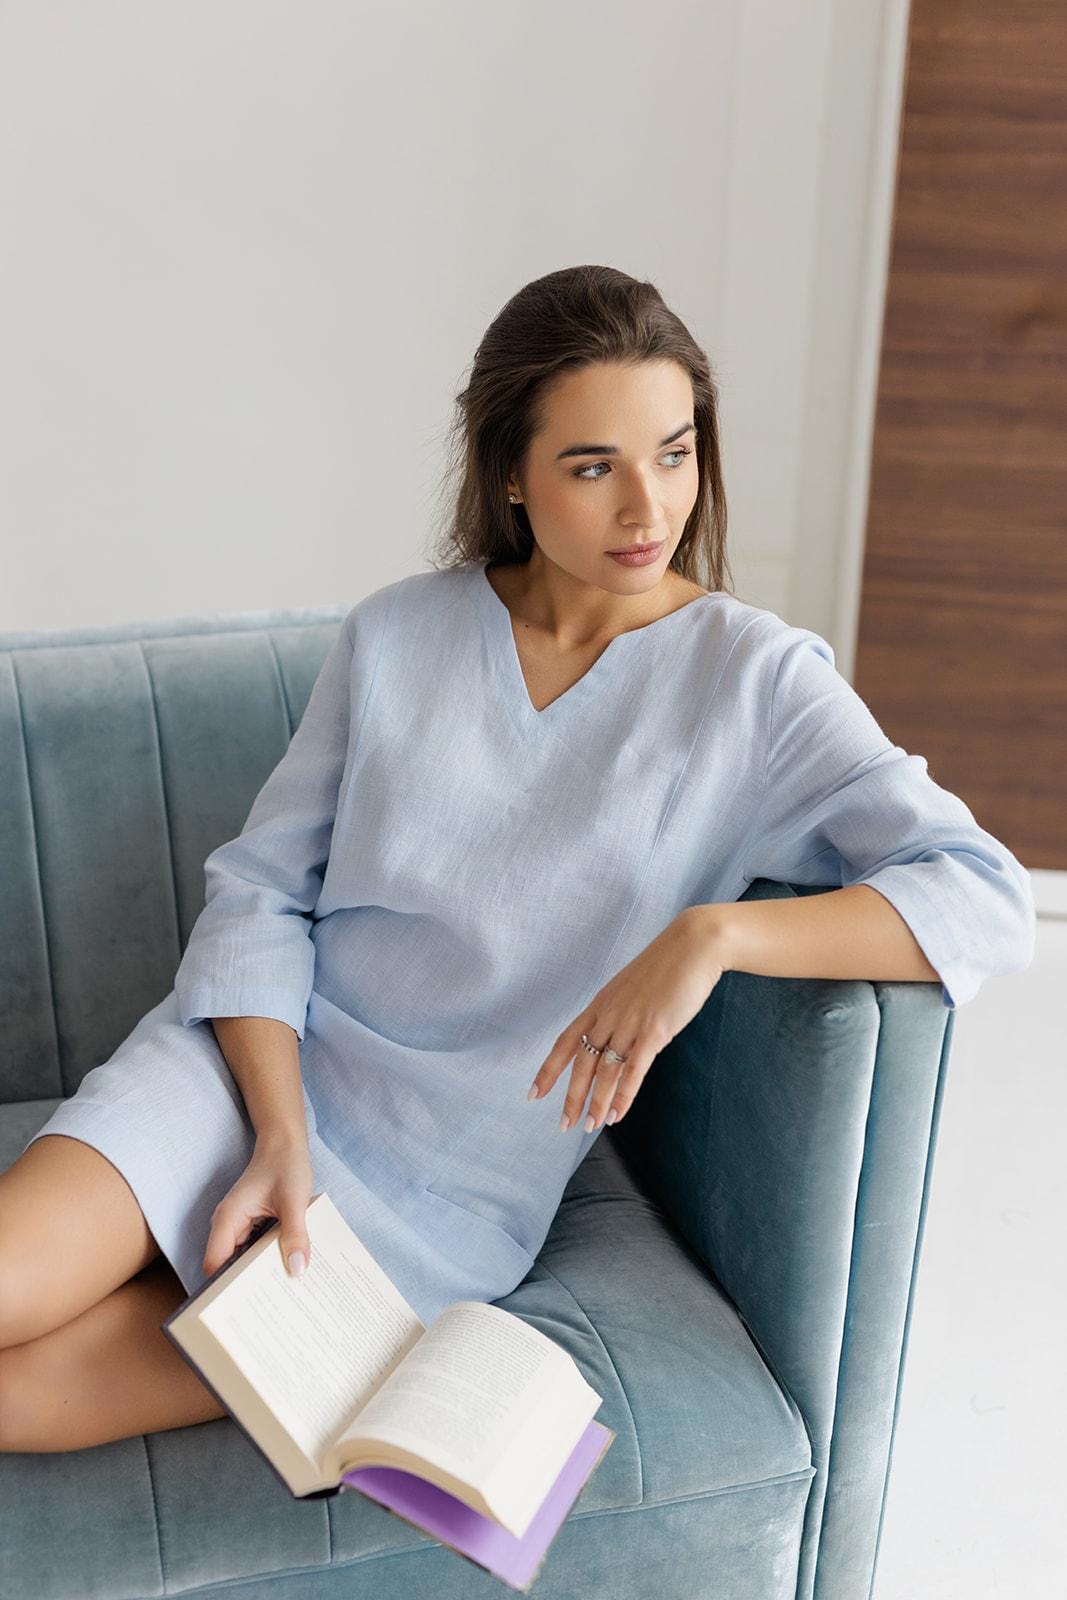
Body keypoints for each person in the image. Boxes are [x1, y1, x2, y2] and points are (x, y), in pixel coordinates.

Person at [0, 264, 1036, 1454]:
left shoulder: (755, 685)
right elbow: (259, 894)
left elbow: (983, 893)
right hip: (243, 1084)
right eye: (592, 467)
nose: (647, 509)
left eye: (674, 452)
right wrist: (279, 1135)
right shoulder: (398, 635)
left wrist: (712, 934)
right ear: (510, 475)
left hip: (439, 1195)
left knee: (21, 1399)